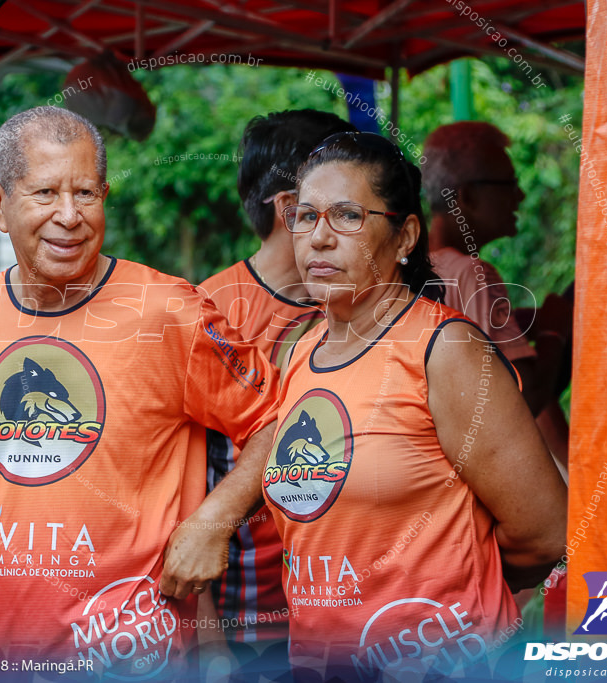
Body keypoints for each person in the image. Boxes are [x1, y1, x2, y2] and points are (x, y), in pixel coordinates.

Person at [0, 106, 279, 678]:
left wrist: (213, 520)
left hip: (130, 653)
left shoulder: (170, 312)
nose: (69, 216)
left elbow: (278, 422)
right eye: (46, 193)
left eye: (86, 192)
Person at [263, 132, 567, 679]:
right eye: (305, 217)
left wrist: (458, 579)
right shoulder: (301, 351)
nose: (319, 238)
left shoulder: (445, 349)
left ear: (404, 236)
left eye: (348, 216)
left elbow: (544, 532)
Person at [198, 109, 352, 665]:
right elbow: (180, 491)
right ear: (290, 210)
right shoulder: (209, 317)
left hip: (362, 617)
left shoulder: (369, 308)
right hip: (257, 627)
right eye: (344, 196)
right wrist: (209, 645)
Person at [422, 122, 569, 426]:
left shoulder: (409, 267)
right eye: (508, 184)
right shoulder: (474, 273)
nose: (521, 195)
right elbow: (520, 404)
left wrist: (517, 323)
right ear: (468, 197)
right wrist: (554, 331)